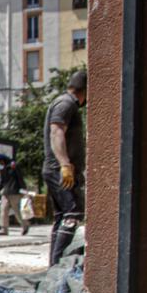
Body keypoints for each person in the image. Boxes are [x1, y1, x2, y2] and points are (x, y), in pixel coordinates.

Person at [41, 71, 86, 265]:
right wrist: (65, 164)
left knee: (62, 217)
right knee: (72, 214)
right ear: (85, 90)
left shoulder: (65, 103)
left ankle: (55, 265)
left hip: (57, 169)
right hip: (59, 170)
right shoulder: (66, 104)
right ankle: (58, 265)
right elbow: (56, 131)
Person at [0, 153, 28, 236]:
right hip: (5, 192)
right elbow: (2, 180)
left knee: (17, 211)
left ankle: (25, 225)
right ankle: (4, 229)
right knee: (3, 210)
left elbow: (20, 178)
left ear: (2, 160)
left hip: (15, 191)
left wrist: (23, 190)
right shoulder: (2, 168)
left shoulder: (13, 166)